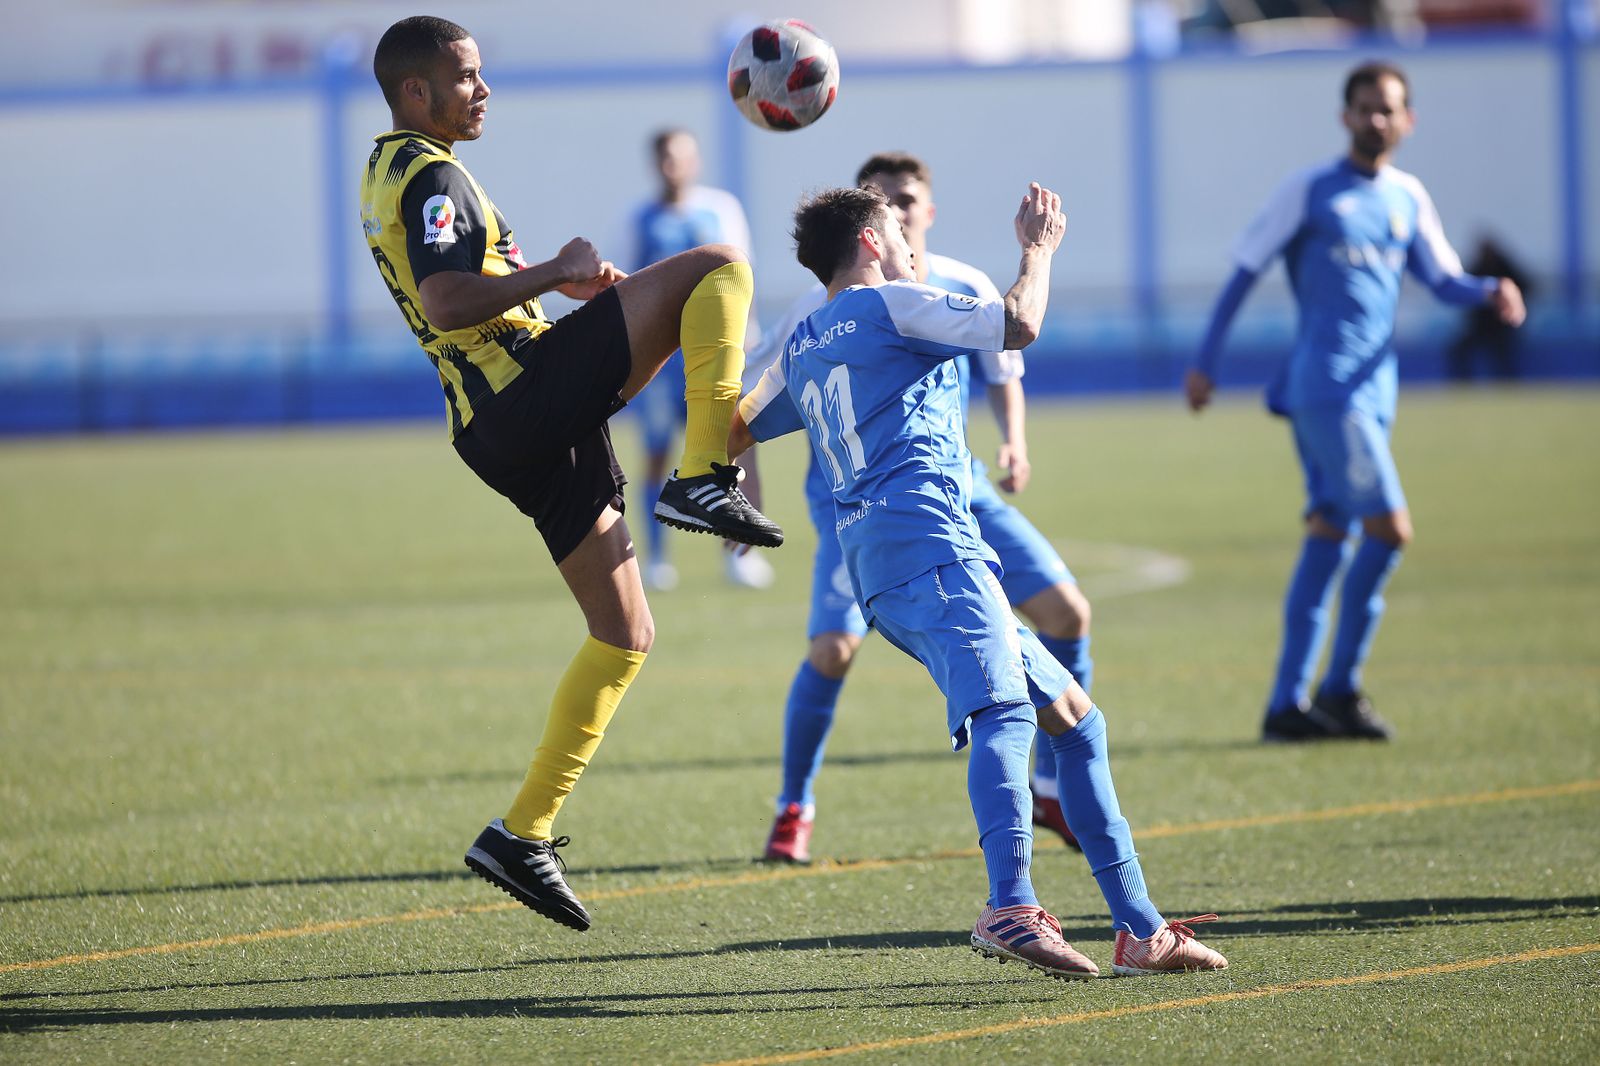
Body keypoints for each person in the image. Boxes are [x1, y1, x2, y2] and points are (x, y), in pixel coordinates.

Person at [731, 183, 1227, 979]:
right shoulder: (891, 303)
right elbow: (1018, 324)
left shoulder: (802, 340)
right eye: (895, 228)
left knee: (1075, 719)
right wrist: (1039, 248)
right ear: (868, 241)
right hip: (932, 546)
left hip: (878, 570)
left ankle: (1141, 929)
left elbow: (732, 423)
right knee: (1005, 711)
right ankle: (1011, 904)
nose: (906, 242)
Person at [358, 16, 782, 933]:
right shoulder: (432, 174)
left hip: (501, 426)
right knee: (719, 265)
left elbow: (454, 285)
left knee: (625, 632)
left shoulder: (386, 171)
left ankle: (523, 834)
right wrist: (554, 269)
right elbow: (445, 298)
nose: (483, 91)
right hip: (523, 395)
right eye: (465, 77)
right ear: (416, 93)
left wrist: (558, 286)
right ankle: (707, 471)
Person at [746, 153, 1091, 863]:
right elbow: (749, 408)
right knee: (834, 650)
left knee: (1067, 614)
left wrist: (1015, 443)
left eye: (906, 198)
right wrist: (744, 489)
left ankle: (1055, 788)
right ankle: (793, 805)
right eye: (883, 202)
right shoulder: (822, 311)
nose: (897, 211)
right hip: (861, 506)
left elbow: (1003, 366)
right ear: (868, 230)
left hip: (956, 487)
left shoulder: (953, 284)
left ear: (927, 210)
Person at [1185, 61, 1525, 743]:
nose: (1376, 119)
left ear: (1408, 121)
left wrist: (1491, 289)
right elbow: (1244, 270)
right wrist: (1205, 363)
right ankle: (1339, 688)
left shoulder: (1406, 197)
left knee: (1330, 538)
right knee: (1390, 529)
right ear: (1344, 116)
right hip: (1324, 391)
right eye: (1364, 107)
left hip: (1374, 396)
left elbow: (1442, 279)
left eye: (1388, 108)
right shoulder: (1309, 190)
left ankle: (1286, 705)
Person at [627, 129, 775, 591]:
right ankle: (654, 560)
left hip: (715, 358)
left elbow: (742, 275)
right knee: (656, 454)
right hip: (663, 363)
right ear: (655, 163)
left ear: (695, 160)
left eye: (682, 157)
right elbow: (630, 285)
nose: (674, 166)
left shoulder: (720, 209)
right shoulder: (641, 218)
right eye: (666, 158)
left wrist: (747, 339)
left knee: (728, 450)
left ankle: (739, 554)